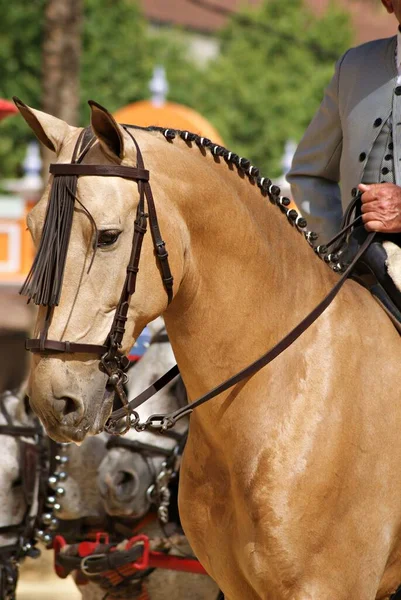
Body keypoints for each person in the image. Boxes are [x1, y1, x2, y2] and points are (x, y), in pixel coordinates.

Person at [287, 0, 401, 243]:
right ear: (388, 2)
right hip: (357, 275)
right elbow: (309, 174)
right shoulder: (353, 66)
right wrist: (336, 251)